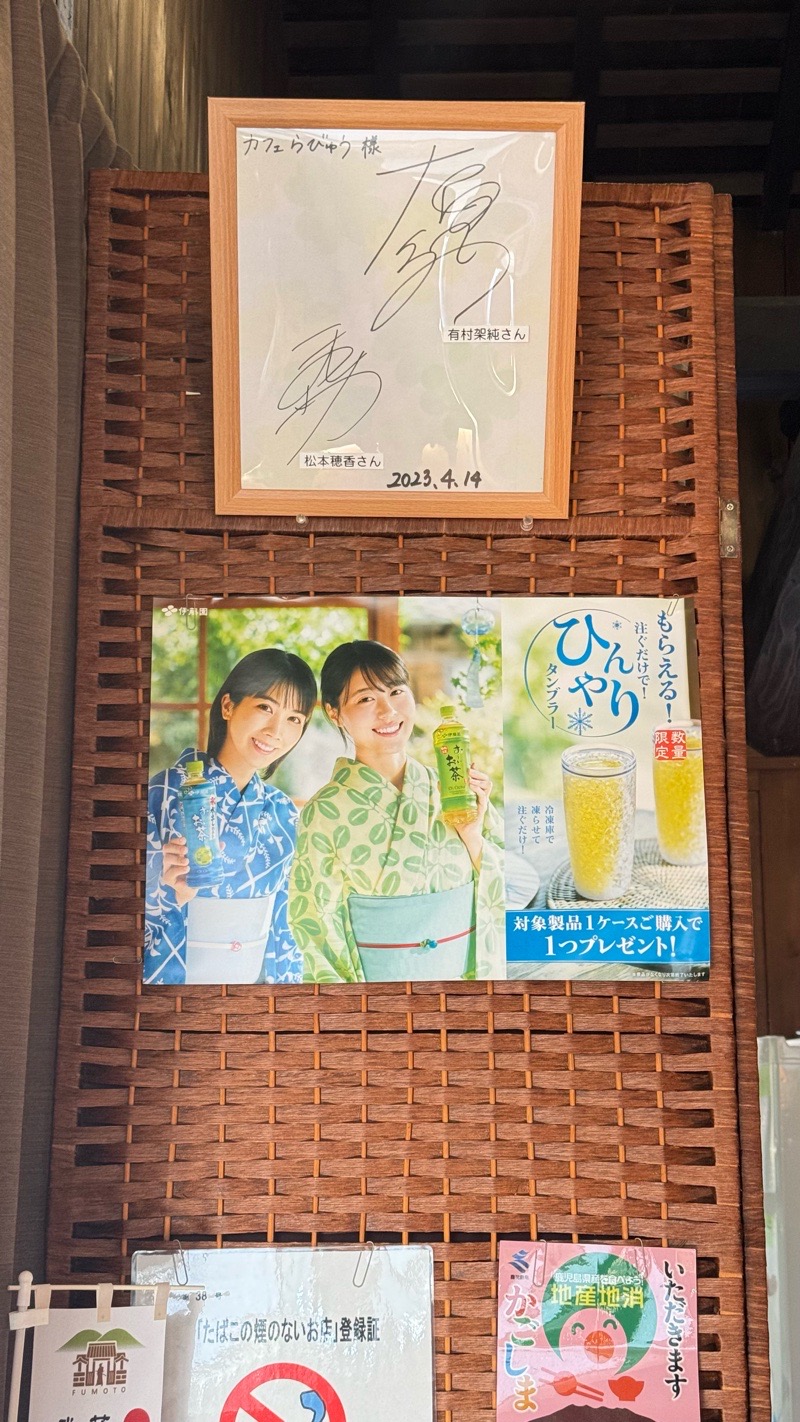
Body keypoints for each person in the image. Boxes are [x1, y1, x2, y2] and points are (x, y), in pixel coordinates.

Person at [289, 639, 505, 982]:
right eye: (365, 699)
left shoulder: (452, 792)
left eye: (396, 691)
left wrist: (473, 836)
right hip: (380, 998)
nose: (388, 711)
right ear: (334, 712)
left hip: (464, 989)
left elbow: (508, 885)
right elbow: (316, 931)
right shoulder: (324, 813)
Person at [145, 648, 316, 985]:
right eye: (265, 707)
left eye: (294, 719)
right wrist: (169, 892)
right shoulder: (164, 792)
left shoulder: (283, 812)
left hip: (250, 996)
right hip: (177, 984)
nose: (276, 730)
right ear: (228, 706)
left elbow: (285, 926)